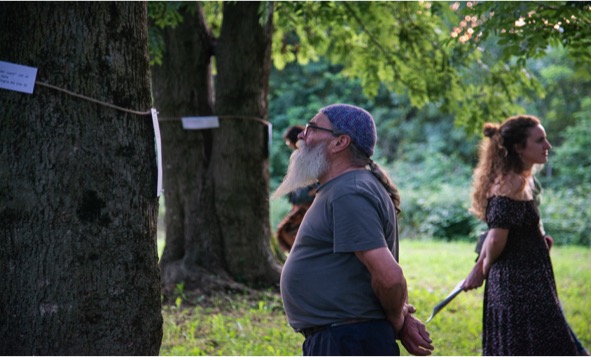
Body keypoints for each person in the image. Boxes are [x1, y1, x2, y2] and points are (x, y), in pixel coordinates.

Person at [272, 104, 434, 356]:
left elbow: (389, 276)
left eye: (311, 128)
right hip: (345, 336)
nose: (302, 136)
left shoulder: (349, 192)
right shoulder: (344, 187)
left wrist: (397, 321)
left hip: (346, 340)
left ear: (340, 142)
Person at [463, 114, 584, 355]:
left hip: (530, 278)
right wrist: (482, 269)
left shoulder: (522, 181)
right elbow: (496, 238)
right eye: (540, 140)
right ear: (518, 147)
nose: (547, 146)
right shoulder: (509, 184)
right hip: (517, 284)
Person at [276, 125, 317, 252]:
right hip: (302, 202)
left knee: (288, 232)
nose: (288, 145)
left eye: (289, 142)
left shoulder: (314, 154)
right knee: (286, 232)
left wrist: (317, 190)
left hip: (310, 202)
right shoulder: (299, 155)